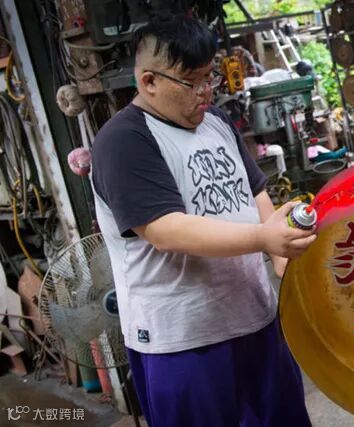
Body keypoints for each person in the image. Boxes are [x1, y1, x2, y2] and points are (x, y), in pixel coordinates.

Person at [90, 14, 315, 427]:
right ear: (149, 82)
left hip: (255, 320)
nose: (205, 92)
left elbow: (255, 192)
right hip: (184, 343)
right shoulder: (123, 141)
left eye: (209, 77)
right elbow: (165, 230)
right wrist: (264, 239)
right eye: (191, 82)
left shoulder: (217, 122)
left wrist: (283, 259)